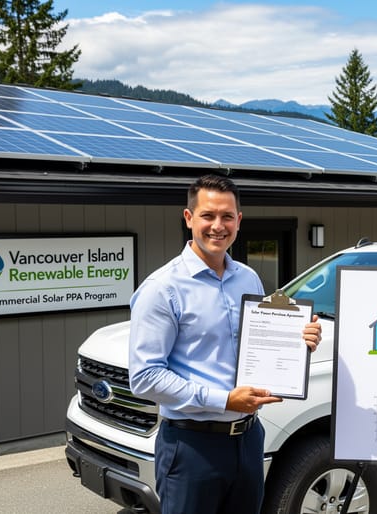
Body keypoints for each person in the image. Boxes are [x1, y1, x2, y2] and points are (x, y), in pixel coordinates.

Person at [128, 174, 322, 514]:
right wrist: (224, 400)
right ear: (189, 218)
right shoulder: (162, 288)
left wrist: (299, 342)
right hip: (191, 447)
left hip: (249, 441)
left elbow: (256, 344)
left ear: (239, 221)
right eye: (208, 215)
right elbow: (144, 377)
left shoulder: (248, 278)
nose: (218, 226)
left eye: (227, 216)